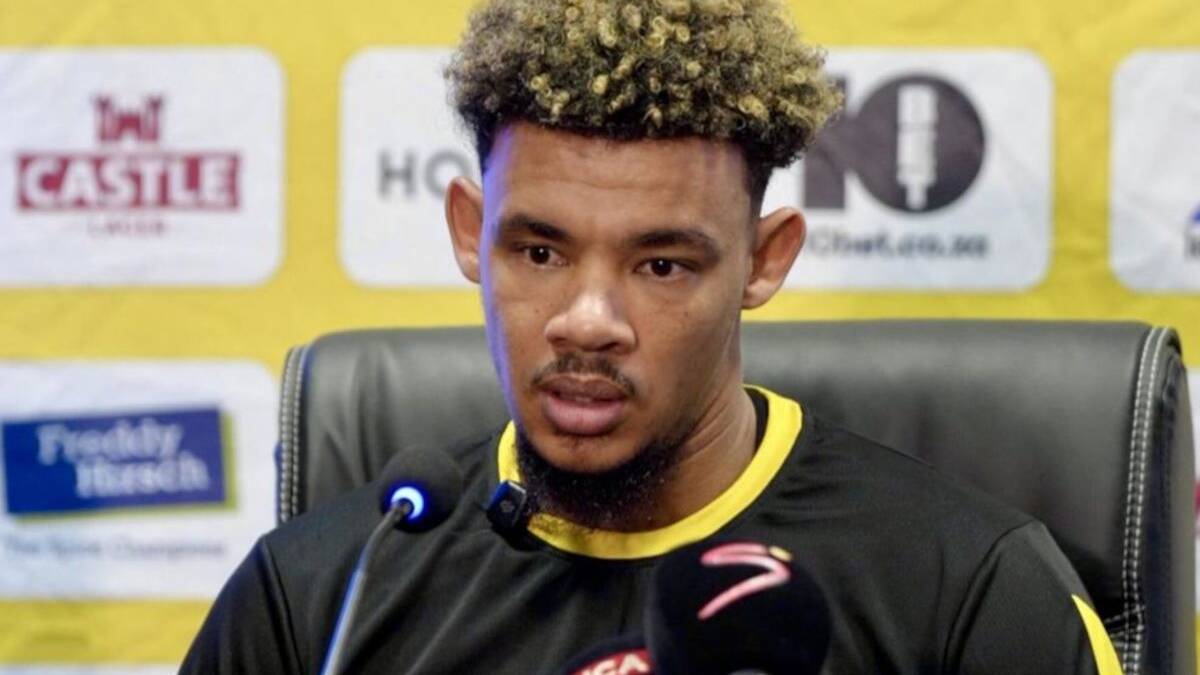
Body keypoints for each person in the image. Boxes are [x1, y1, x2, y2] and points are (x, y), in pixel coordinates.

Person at [181, 0, 1123, 672]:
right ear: (471, 232)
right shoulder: (322, 597)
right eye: (540, 251)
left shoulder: (966, 588)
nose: (587, 320)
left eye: (662, 264)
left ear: (764, 261)